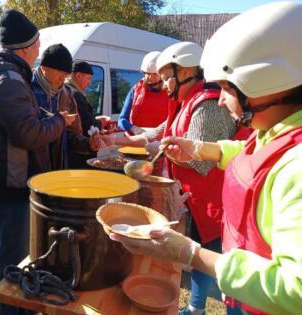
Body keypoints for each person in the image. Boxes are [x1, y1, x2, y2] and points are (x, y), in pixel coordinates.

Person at [110, 2, 302, 314]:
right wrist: (197, 147)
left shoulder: (296, 166)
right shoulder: (273, 131)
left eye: (227, 88)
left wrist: (190, 254)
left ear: (267, 81)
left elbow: (295, 290)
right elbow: (247, 151)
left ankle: (197, 306)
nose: (222, 100)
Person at [0, 10, 66, 315]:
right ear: (24, 49)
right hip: (9, 186)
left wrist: (44, 118)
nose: (38, 50)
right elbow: (28, 133)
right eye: (37, 45)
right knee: (12, 266)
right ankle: (5, 310)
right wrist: (58, 121)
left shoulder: (0, 73)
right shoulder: (8, 79)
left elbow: (19, 122)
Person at [32, 44, 99, 170]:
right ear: (44, 67)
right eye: (59, 72)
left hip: (58, 167)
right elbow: (26, 132)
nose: (63, 78)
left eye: (66, 73)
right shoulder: (27, 89)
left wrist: (87, 144)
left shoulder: (66, 94)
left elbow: (72, 134)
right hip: (31, 170)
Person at [66, 60, 110, 168]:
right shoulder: (76, 95)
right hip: (80, 153)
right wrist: (101, 122)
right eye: (89, 78)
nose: (90, 83)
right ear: (79, 75)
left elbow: (81, 118)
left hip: (71, 150)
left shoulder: (66, 90)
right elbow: (87, 125)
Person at [118, 51, 170, 135]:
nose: (150, 77)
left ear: (162, 75)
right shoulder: (136, 90)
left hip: (161, 143)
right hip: (137, 141)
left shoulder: (171, 92)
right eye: (147, 73)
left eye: (154, 74)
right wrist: (133, 128)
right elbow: (121, 119)